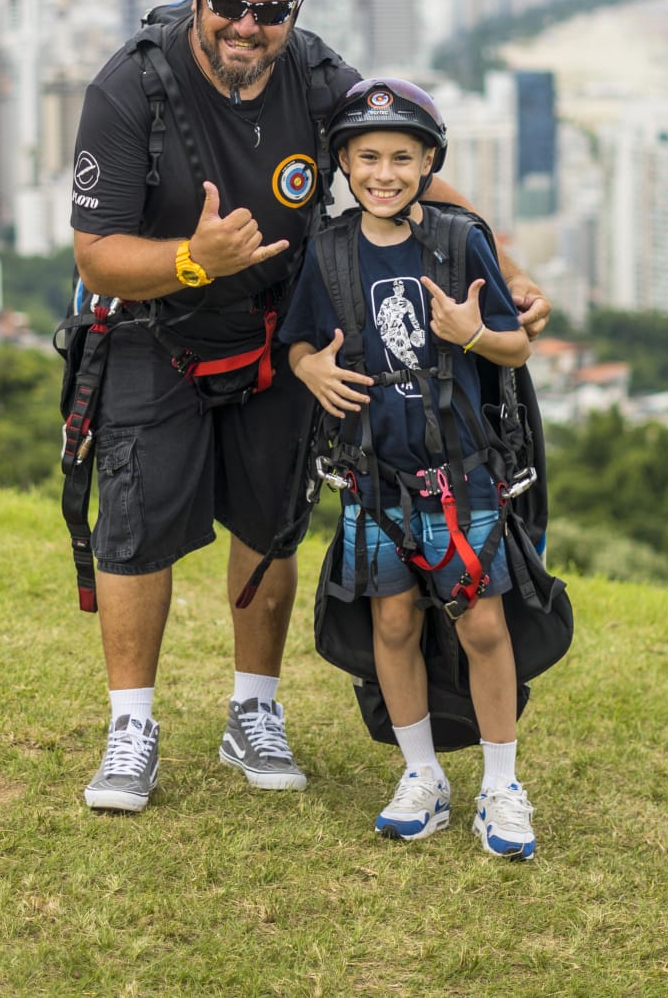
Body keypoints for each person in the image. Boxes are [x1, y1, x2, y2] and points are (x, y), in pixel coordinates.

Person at [68, 0, 551, 814]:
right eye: (229, 3)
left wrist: (507, 271)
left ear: (295, 14)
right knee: (134, 524)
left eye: (271, 10)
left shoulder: (314, 71)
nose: (247, 26)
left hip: (278, 337)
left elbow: (396, 160)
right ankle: (130, 726)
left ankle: (253, 709)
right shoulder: (131, 86)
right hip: (153, 329)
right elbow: (97, 256)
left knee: (271, 521)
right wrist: (193, 260)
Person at [281, 78, 537, 857]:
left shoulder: (460, 243)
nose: (383, 173)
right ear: (343, 163)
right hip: (374, 475)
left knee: (482, 622)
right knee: (392, 621)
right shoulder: (329, 251)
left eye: (401, 157)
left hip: (460, 474)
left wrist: (471, 334)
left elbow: (515, 345)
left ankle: (502, 784)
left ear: (429, 163)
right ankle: (421, 775)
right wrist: (307, 368)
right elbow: (300, 340)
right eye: (367, 157)